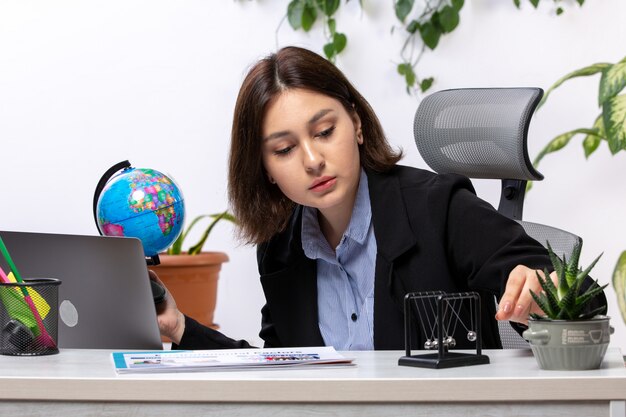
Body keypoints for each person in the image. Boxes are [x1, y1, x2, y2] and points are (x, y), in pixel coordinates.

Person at [152, 46, 606, 351]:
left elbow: (586, 299)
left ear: (358, 124)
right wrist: (181, 329)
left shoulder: (438, 207)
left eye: (325, 131)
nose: (312, 159)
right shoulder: (281, 248)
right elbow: (278, 369)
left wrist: (544, 291)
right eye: (285, 149)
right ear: (266, 171)